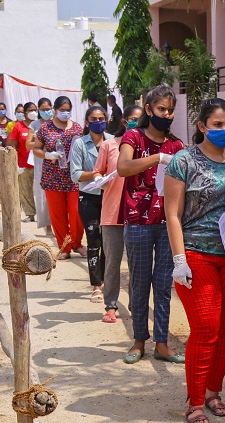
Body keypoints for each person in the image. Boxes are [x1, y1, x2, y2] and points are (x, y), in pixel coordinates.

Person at [164, 98, 225, 423]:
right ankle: (194, 402)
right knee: (206, 327)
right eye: (217, 124)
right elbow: (173, 215)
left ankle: (213, 392)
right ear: (202, 126)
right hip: (197, 252)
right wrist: (180, 260)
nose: (224, 130)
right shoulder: (183, 161)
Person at [116, 84, 184, 365]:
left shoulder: (177, 145)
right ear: (148, 110)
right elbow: (122, 168)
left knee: (164, 282)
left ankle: (162, 342)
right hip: (137, 220)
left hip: (168, 223)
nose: (166, 115)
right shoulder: (133, 137)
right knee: (140, 282)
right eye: (161, 109)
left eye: (170, 110)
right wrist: (156, 158)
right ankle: (138, 340)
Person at [94, 104, 142, 324]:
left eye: (140, 119)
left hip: (139, 214)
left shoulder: (146, 147)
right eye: (132, 119)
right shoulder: (109, 145)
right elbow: (98, 171)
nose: (136, 122)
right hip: (112, 212)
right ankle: (110, 304)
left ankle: (136, 304)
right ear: (124, 121)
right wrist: (98, 180)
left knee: (137, 263)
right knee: (112, 261)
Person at [31, 96, 85, 259]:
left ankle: (77, 243)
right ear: (55, 110)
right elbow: (36, 149)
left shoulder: (77, 128)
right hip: (52, 177)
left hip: (74, 178)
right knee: (58, 214)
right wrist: (47, 154)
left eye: (68, 110)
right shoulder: (45, 128)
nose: (65, 113)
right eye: (62, 110)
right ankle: (64, 247)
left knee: (77, 213)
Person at [70, 105, 113, 303]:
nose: (98, 122)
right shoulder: (79, 143)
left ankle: (109, 282)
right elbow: (75, 174)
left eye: (101, 118)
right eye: (94, 119)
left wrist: (105, 175)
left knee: (110, 242)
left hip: (110, 196)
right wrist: (96, 174)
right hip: (89, 196)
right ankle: (97, 284)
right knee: (94, 241)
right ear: (87, 122)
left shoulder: (113, 141)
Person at [26, 98, 54, 233]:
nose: (46, 112)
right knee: (43, 194)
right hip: (41, 161)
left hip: (56, 161)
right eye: (43, 109)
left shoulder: (56, 122)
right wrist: (42, 143)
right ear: (38, 110)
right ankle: (47, 224)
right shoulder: (34, 125)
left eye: (48, 109)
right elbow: (28, 144)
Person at [6, 101, 37, 221]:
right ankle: (30, 214)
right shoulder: (18, 126)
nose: (33, 112)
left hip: (41, 163)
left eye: (35, 109)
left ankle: (45, 215)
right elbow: (11, 144)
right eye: (30, 110)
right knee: (25, 189)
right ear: (25, 112)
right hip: (24, 163)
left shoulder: (41, 125)